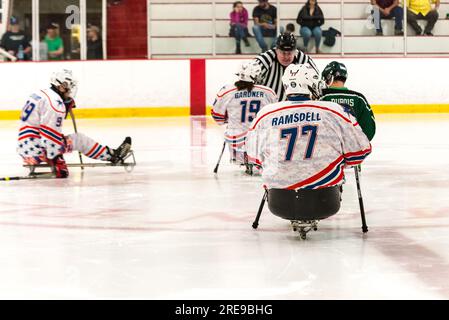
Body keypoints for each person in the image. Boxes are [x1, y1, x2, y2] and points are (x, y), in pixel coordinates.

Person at [246, 64, 371, 223]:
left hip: (279, 202)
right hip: (325, 201)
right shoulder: (335, 110)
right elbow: (360, 151)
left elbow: (252, 157)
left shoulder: (266, 113)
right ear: (311, 84)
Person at [17, 69, 132, 178]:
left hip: (26, 147)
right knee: (79, 139)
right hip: (36, 152)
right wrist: (57, 161)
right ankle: (113, 156)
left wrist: (65, 105)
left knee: (68, 139)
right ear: (61, 86)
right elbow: (50, 136)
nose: (70, 91)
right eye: (68, 87)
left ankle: (110, 154)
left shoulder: (42, 93)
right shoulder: (55, 104)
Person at [211, 61, 277, 169]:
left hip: (236, 141)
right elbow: (274, 118)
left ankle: (243, 159)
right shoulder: (268, 92)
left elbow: (218, 118)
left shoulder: (226, 91)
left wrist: (232, 120)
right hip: (260, 141)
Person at [253, 32, 318, 102]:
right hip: (267, 107)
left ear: (295, 51)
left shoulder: (304, 61)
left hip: (294, 109)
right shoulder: (264, 60)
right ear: (276, 50)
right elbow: (248, 84)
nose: (286, 57)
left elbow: (317, 83)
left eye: (289, 53)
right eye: (283, 53)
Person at [320, 61, 376, 141]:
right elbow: (369, 129)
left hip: (328, 149)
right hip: (354, 149)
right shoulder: (359, 98)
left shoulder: (321, 97)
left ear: (329, 77)